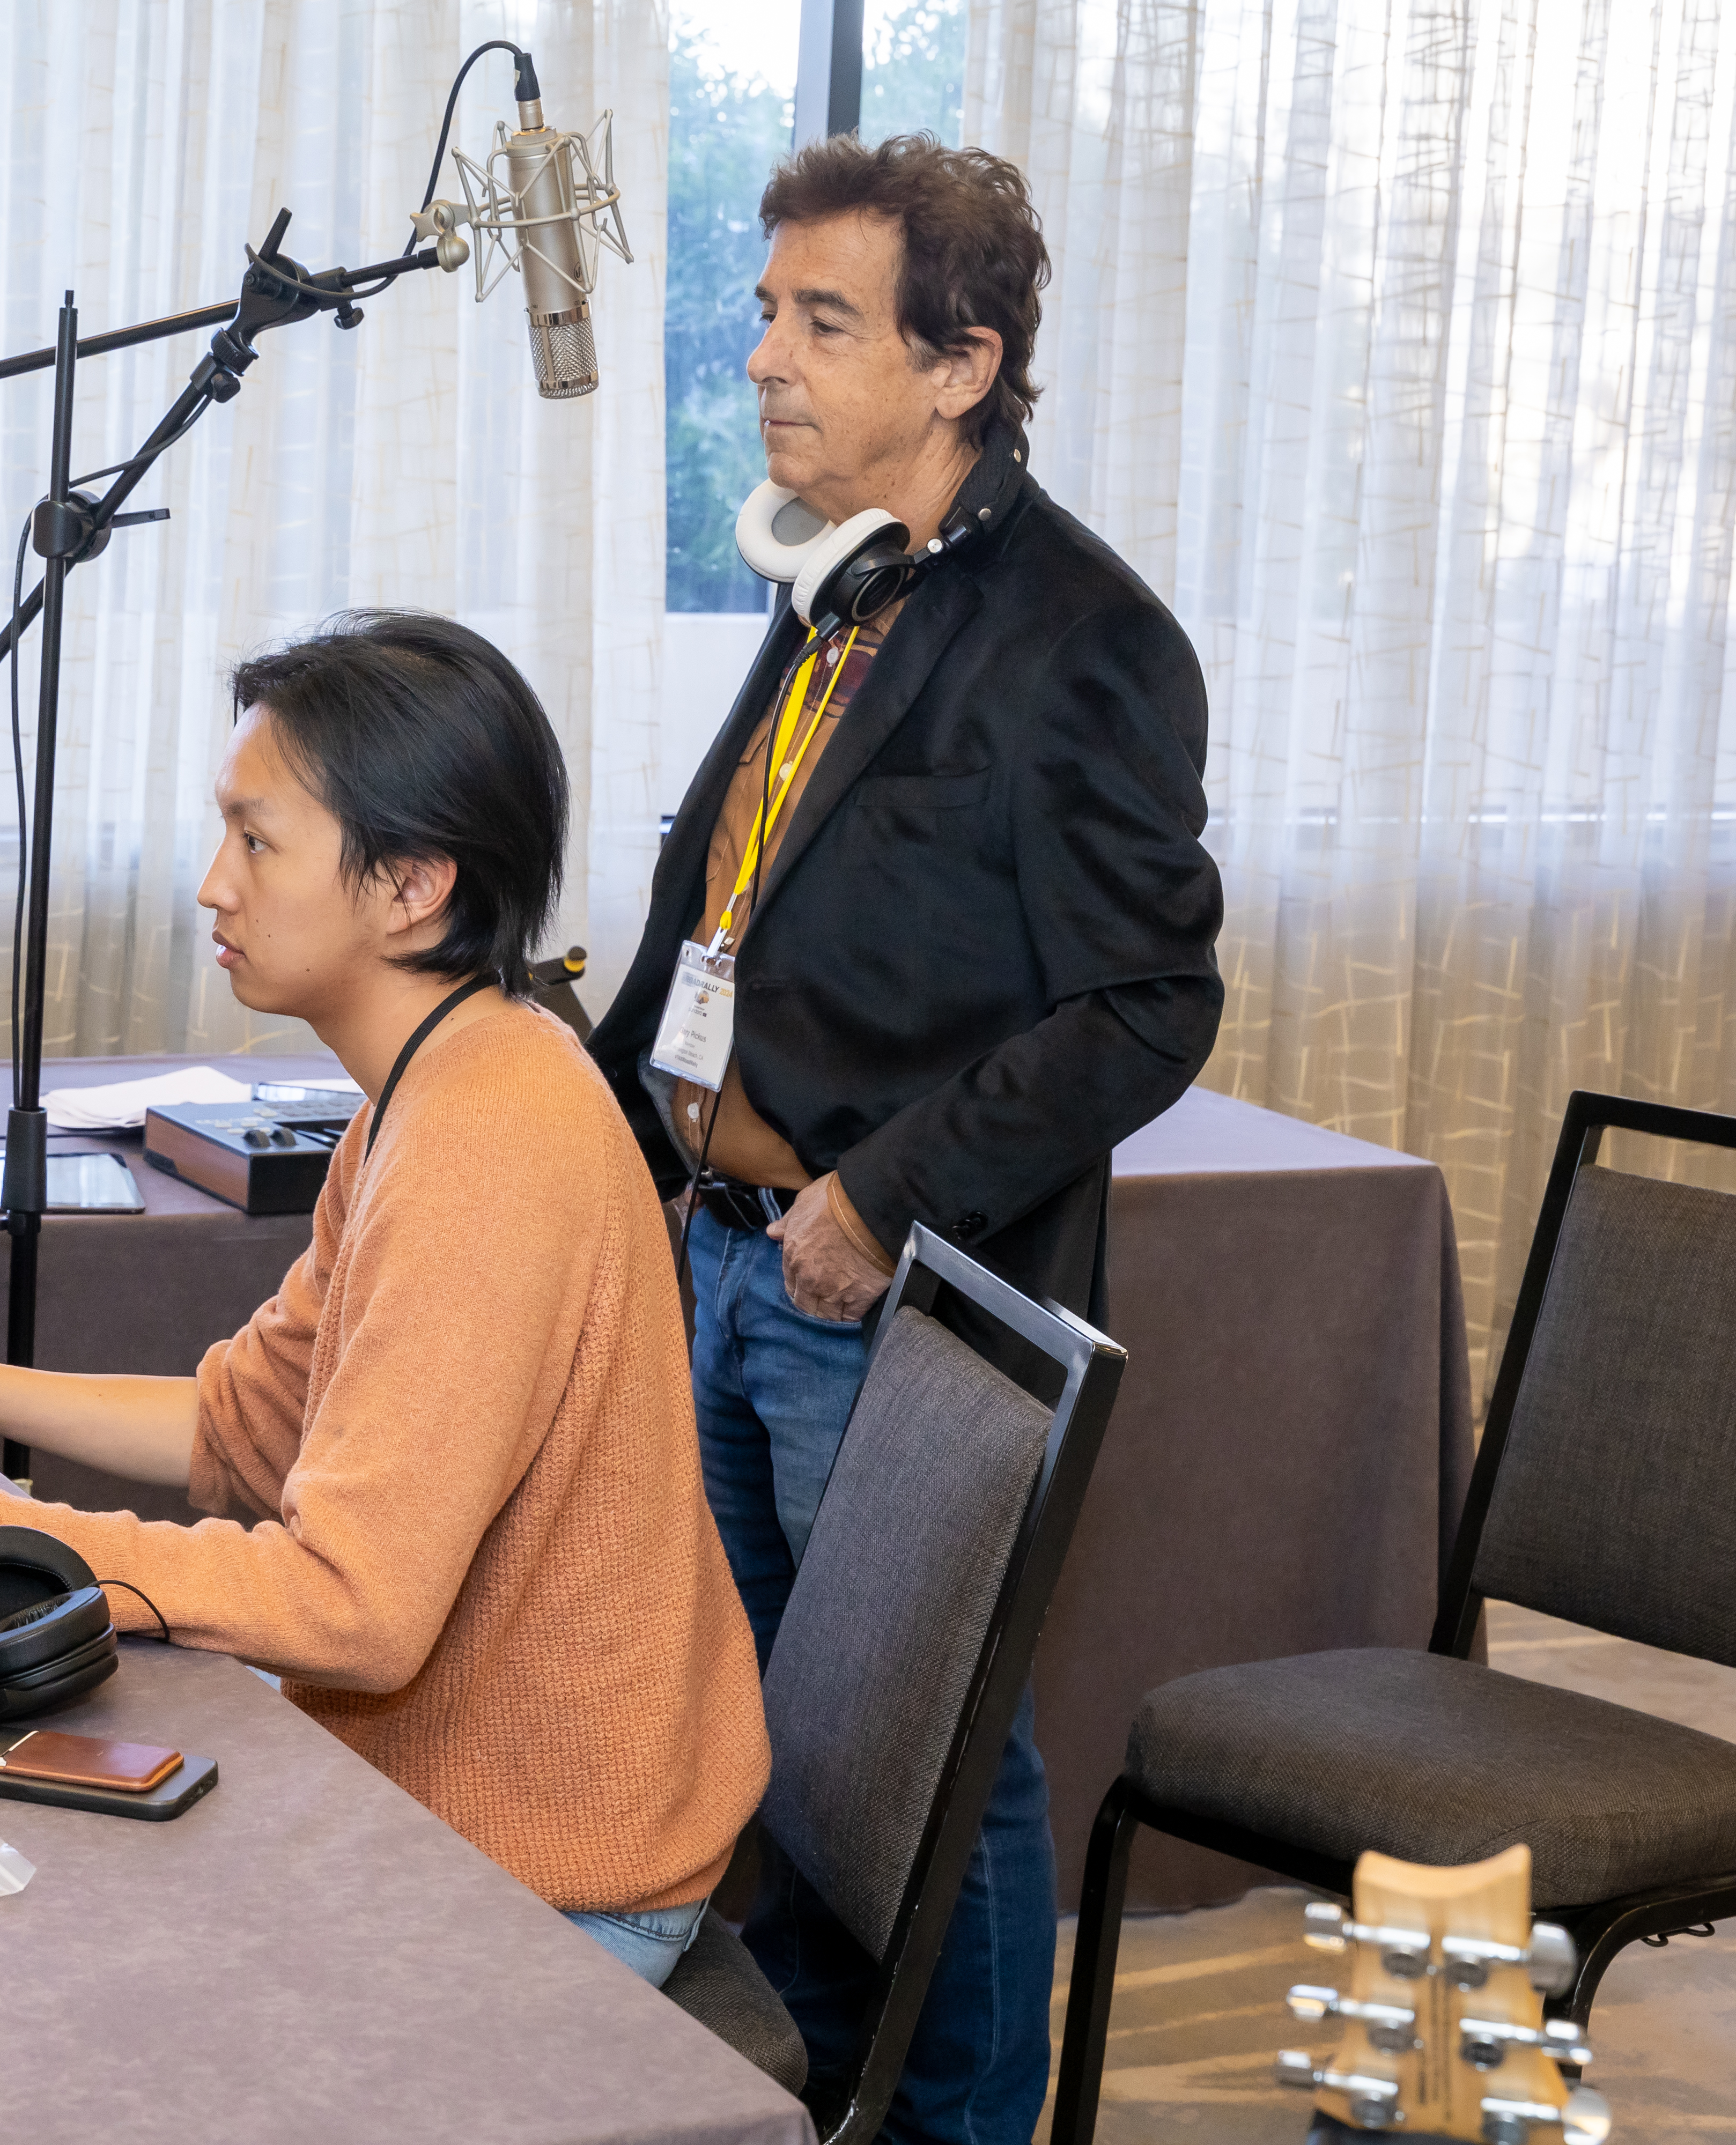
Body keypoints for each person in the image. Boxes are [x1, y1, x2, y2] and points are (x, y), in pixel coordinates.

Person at [0, 610, 767, 1983]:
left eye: (257, 840)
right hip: (442, 1802)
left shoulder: (490, 1137)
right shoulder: (434, 1084)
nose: (211, 885)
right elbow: (236, 1427)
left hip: (534, 1875)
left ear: (411, 881)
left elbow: (354, 1607)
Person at [589, 136, 1224, 2139]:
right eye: (766, 312)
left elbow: (1150, 1003)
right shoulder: (836, 581)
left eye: (821, 320)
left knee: (933, 1763)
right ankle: (816, 2091)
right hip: (717, 1248)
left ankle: (952, 2127)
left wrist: (882, 1192)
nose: (764, 356)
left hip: (882, 1283)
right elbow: (730, 916)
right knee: (784, 1743)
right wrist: (582, 1133)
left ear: (965, 362)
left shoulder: (1080, 635)